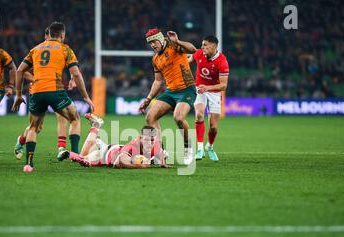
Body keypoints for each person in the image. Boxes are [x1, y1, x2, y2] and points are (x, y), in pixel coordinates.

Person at [11, 21, 94, 172]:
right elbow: (76, 73)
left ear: (48, 34)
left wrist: (17, 95)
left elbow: (19, 71)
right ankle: (75, 154)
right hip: (55, 90)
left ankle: (29, 163)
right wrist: (86, 97)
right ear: (62, 35)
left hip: (36, 91)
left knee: (34, 127)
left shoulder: (35, 49)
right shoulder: (65, 49)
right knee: (75, 118)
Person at [139, 28, 196, 165]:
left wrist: (177, 41)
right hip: (171, 92)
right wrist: (147, 100)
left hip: (187, 89)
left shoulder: (174, 46)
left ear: (161, 39)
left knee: (178, 117)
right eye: (150, 43)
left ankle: (188, 148)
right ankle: (161, 151)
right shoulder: (155, 59)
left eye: (154, 42)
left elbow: (193, 49)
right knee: (150, 117)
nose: (152, 45)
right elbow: (158, 81)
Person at [58, 113, 169, 169]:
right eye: (146, 139)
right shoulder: (132, 145)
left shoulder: (155, 144)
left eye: (152, 140)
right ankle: (70, 154)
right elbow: (122, 161)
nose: (149, 143)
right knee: (83, 158)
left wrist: (163, 163)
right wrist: (140, 165)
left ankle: (96, 126)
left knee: (84, 154)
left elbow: (161, 154)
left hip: (113, 148)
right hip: (106, 154)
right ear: (140, 138)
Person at [188, 35, 229, 161]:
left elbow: (223, 85)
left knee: (213, 126)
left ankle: (209, 147)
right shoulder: (199, 54)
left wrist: (208, 88)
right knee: (199, 115)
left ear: (214, 46)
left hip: (214, 92)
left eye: (205, 45)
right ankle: (200, 149)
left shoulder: (222, 61)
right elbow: (186, 63)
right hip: (200, 89)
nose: (202, 47)